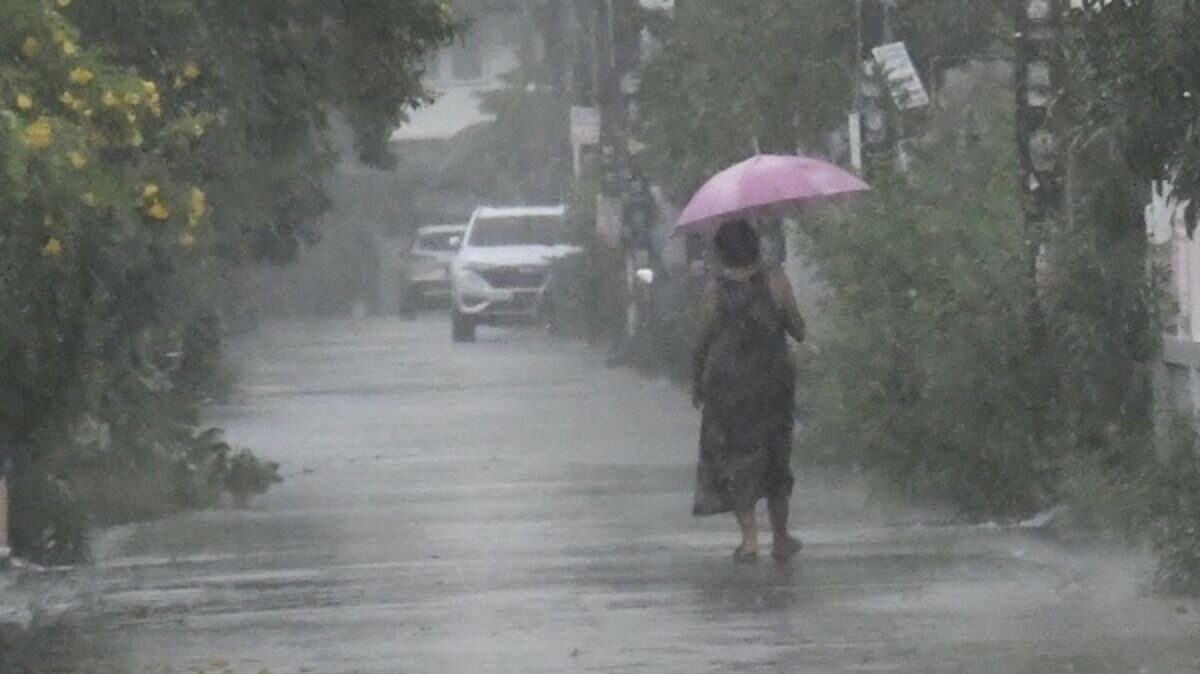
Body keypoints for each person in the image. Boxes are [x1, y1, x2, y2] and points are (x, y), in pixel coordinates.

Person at [691, 219, 806, 563]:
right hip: (772, 384)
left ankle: (750, 539)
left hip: (728, 387)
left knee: (735, 459)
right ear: (756, 246)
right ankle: (781, 536)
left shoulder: (715, 291)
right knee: (774, 457)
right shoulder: (776, 282)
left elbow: (701, 341)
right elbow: (799, 330)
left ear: (720, 253)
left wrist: (696, 380)